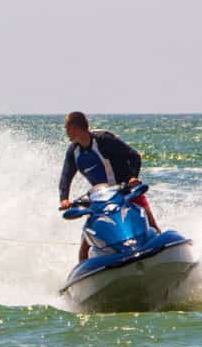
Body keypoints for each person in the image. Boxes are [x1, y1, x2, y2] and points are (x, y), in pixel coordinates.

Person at [58, 111, 160, 262]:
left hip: (126, 192)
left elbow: (134, 156)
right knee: (86, 242)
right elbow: (66, 176)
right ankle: (85, 271)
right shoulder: (74, 151)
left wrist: (133, 177)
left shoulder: (104, 140)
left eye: (67, 128)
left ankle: (165, 254)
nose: (66, 132)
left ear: (76, 128)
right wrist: (64, 198)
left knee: (150, 224)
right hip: (101, 201)